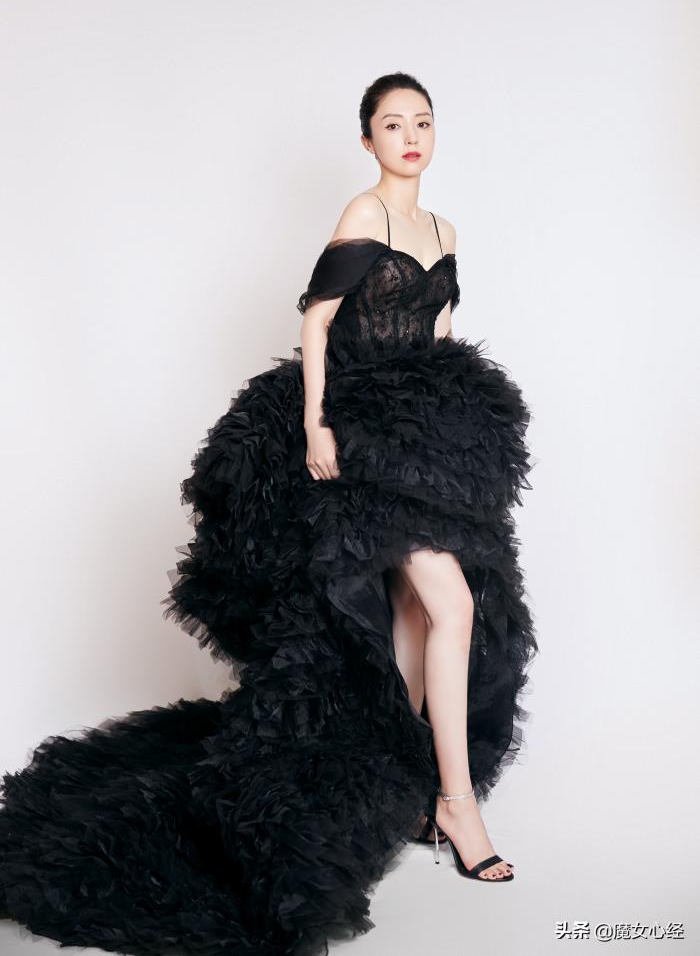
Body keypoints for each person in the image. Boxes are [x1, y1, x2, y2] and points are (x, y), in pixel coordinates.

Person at [0, 72, 538, 954]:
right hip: (358, 436)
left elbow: (439, 339)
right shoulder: (363, 213)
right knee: (453, 604)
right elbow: (319, 321)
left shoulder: (445, 230)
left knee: (417, 609)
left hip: (421, 440)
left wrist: (454, 434)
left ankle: (405, 788)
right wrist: (318, 424)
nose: (410, 136)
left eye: (422, 122)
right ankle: (454, 801)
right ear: (367, 140)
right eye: (392, 124)